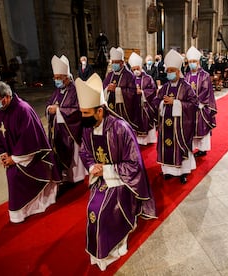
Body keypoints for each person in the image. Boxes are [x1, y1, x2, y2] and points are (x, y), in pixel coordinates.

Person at [75, 74, 156, 271]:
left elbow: (134, 164)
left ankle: (115, 245)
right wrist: (93, 165)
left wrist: (108, 169)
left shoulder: (121, 128)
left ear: (100, 111)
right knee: (93, 210)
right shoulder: (87, 128)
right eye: (82, 112)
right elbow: (84, 150)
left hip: (121, 180)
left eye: (86, 113)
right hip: (100, 177)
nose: (82, 118)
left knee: (102, 212)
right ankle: (102, 249)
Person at [0, 81, 59, 223]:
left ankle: (36, 206)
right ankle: (23, 211)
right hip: (11, 155)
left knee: (15, 177)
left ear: (6, 96)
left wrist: (15, 158)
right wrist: (2, 153)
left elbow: (29, 137)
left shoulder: (22, 110)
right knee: (12, 176)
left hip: (29, 155)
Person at [152, 49, 199, 184]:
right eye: (168, 71)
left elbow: (194, 104)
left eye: (172, 71)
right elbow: (156, 101)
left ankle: (183, 172)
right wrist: (162, 103)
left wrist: (176, 103)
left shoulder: (186, 87)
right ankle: (168, 171)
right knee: (166, 146)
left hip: (180, 127)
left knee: (179, 147)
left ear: (178, 72)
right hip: (165, 127)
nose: (169, 74)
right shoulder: (165, 87)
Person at [47, 55, 86, 189]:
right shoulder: (57, 90)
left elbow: (78, 110)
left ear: (67, 77)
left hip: (72, 131)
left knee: (73, 154)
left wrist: (58, 110)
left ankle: (77, 176)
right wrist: (50, 109)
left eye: (59, 77)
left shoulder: (75, 90)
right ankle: (65, 175)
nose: (57, 80)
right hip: (59, 130)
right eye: (55, 77)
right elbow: (50, 104)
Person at [184, 46, 217, 157]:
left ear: (198, 62)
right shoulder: (186, 76)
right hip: (190, 108)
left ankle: (203, 149)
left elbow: (206, 90)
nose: (192, 63)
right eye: (190, 62)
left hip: (201, 107)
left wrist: (196, 98)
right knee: (191, 129)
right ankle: (192, 147)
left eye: (194, 61)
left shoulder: (205, 75)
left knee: (201, 128)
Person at [102, 47, 138, 131]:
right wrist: (107, 89)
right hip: (110, 107)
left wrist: (118, 90)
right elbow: (103, 87)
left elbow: (132, 92)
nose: (114, 64)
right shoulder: (110, 75)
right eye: (113, 62)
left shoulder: (129, 75)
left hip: (123, 110)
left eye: (116, 62)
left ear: (122, 63)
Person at [128, 52, 158, 145]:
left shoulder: (148, 78)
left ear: (141, 67)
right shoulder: (129, 78)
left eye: (137, 68)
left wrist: (143, 92)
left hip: (145, 105)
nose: (136, 71)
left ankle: (148, 140)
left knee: (146, 120)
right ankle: (137, 140)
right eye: (134, 69)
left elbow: (153, 89)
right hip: (134, 105)